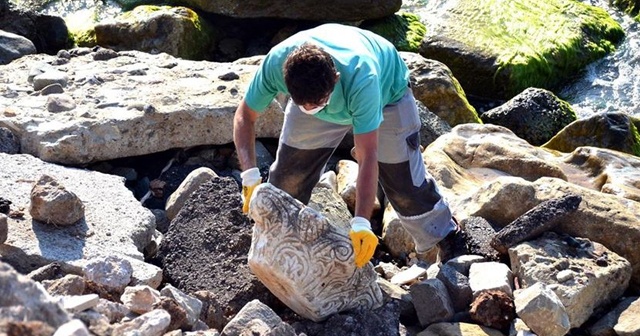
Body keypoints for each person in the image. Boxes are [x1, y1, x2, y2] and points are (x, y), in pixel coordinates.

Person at [233, 23, 459, 268]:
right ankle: (276, 245)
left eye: (318, 103)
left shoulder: (363, 78)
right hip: (320, 91)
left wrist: (361, 222)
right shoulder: (277, 63)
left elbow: (368, 155)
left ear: (336, 79)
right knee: (288, 178)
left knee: (403, 183)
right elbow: (244, 117)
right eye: (303, 105)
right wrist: (250, 174)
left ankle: (446, 236)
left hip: (387, 97)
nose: (311, 110)